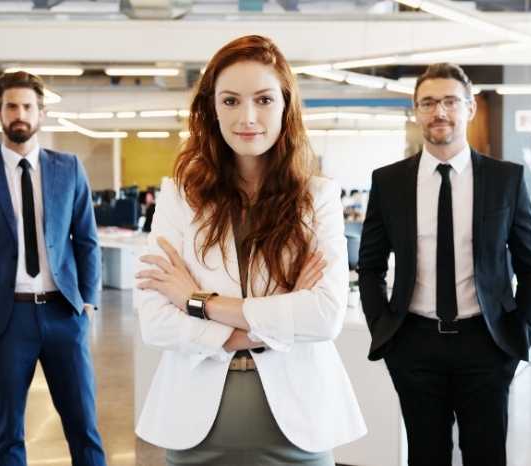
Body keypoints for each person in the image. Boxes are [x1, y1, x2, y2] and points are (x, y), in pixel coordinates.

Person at [134, 35, 366, 465]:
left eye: (263, 99)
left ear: (285, 104)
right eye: (230, 101)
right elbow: (154, 321)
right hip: (195, 430)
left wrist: (196, 301)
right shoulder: (180, 198)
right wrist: (276, 321)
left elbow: (324, 316)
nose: (248, 117)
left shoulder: (317, 199)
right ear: (211, 108)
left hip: (298, 426)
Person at [358, 63, 531, 466]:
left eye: (449, 102)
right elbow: (370, 265)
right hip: (415, 344)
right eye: (428, 102)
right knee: (425, 456)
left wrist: (519, 335)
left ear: (470, 108)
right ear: (416, 110)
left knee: (486, 455)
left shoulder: (505, 180)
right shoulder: (388, 182)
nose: (439, 112)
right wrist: (385, 332)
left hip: (486, 343)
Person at [0, 71, 107, 466]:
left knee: (84, 429)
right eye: (11, 107)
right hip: (6, 321)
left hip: (62, 314)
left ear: (40, 113)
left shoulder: (68, 168)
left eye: (27, 106)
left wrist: (87, 304)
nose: (19, 114)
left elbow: (87, 241)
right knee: (8, 435)